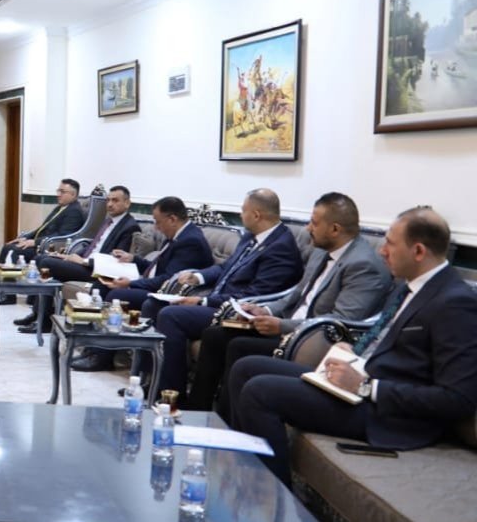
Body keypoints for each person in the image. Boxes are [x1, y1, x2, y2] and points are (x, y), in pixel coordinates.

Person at [228, 207, 477, 484]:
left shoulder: (454, 302)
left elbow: (457, 399)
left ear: (418, 251)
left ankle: (269, 496)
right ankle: (241, 474)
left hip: (389, 414)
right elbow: (385, 339)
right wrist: (352, 354)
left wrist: (365, 386)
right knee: (246, 367)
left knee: (260, 392)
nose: (382, 251)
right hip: (361, 383)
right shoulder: (412, 285)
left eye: (390, 244)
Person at [184, 193, 391, 413]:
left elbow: (341, 320)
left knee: (239, 346)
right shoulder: (321, 251)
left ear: (335, 229)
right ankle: (197, 410)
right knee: (215, 335)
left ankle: (226, 422)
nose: (308, 228)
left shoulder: (363, 265)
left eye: (314, 223)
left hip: (311, 341)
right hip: (289, 326)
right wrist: (264, 309)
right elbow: (295, 293)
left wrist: (282, 326)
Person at [135, 189, 303, 394]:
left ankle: (171, 392)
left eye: (243, 210)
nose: (240, 215)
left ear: (256, 215)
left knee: (171, 315)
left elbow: (255, 294)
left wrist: (202, 302)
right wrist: (199, 276)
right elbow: (226, 267)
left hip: (234, 310)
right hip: (218, 299)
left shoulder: (280, 247)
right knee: (153, 304)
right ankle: (147, 379)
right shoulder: (251, 237)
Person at [70, 196, 214, 371]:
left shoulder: (190, 241)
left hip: (169, 294)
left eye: (158, 222)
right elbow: (157, 267)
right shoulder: (178, 234)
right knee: (101, 286)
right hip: (156, 285)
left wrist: (131, 283)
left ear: (172, 219)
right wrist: (133, 259)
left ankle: (102, 357)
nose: (156, 227)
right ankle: (93, 348)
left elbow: (168, 279)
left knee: (117, 294)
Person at [14, 185, 139, 332]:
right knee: (43, 258)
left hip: (96, 271)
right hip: (85, 264)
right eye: (108, 200)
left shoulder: (129, 227)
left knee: (47, 263)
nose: (110, 204)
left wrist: (84, 261)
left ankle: (44, 321)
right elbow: (93, 246)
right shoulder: (108, 221)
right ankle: (38, 314)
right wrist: (70, 256)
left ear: (127, 203)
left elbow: (114, 260)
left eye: (115, 200)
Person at [0, 179, 86, 266]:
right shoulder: (61, 207)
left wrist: (35, 242)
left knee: (13, 250)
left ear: (73, 194)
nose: (58, 194)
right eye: (58, 191)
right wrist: (25, 237)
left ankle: (9, 276)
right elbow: (43, 227)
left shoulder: (74, 211)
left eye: (62, 192)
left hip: (50, 247)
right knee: (9, 246)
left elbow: (61, 236)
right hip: (42, 243)